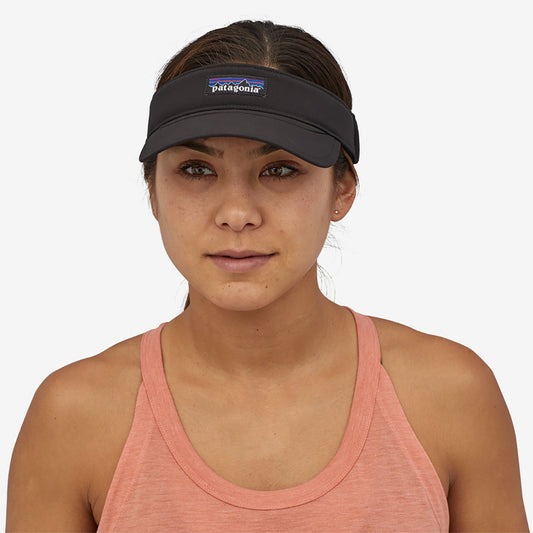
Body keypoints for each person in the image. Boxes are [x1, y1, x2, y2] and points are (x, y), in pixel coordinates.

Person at [6, 19, 529, 532]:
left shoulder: (450, 398)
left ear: (343, 189)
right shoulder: (73, 418)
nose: (237, 213)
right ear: (153, 192)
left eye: (279, 170)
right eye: (197, 169)